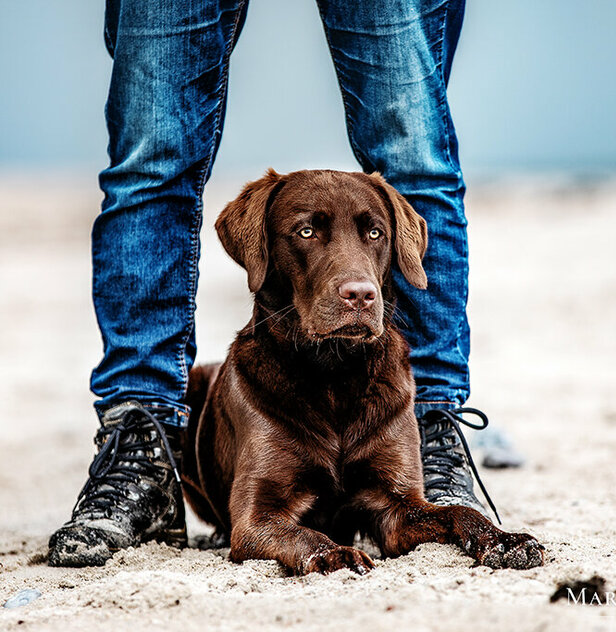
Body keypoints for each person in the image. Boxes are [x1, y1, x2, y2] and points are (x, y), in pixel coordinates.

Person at [49, 0, 495, 567]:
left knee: (416, 156)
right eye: (308, 231)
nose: (358, 282)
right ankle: (145, 441)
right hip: (267, 393)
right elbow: (258, 526)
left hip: (380, 393)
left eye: (373, 234)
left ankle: (432, 423)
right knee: (151, 158)